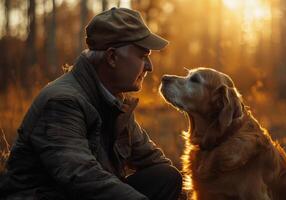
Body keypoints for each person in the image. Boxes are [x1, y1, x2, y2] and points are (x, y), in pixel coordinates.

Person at [0, 7, 182, 200]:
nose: (149, 66)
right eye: (142, 56)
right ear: (112, 57)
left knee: (166, 177)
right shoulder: (62, 101)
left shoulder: (116, 99)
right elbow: (82, 177)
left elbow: (152, 160)